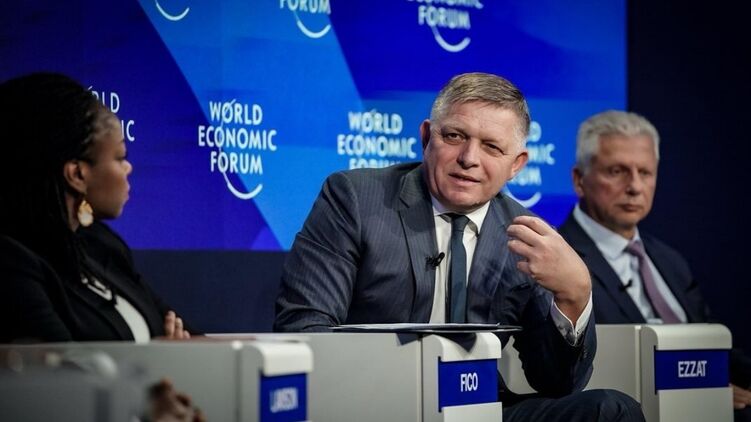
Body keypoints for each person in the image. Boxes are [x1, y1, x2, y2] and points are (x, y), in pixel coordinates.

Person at [275, 72, 644, 421]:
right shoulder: (355, 199)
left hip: (481, 407)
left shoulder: (529, 234)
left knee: (611, 410)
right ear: (426, 137)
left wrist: (574, 296)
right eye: (454, 136)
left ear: (516, 164)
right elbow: (304, 328)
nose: (469, 158)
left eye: (492, 147)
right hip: (376, 404)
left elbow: (557, 383)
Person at [559, 110, 751, 420]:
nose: (635, 186)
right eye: (617, 171)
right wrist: (701, 388)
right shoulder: (559, 259)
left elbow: (713, 344)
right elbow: (577, 367)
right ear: (580, 180)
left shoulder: (670, 261)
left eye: (645, 173)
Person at [0, 72, 192, 343]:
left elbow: (184, 332)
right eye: (120, 157)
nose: (128, 167)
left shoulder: (103, 245)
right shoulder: (14, 265)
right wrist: (163, 360)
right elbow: (62, 366)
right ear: (77, 174)